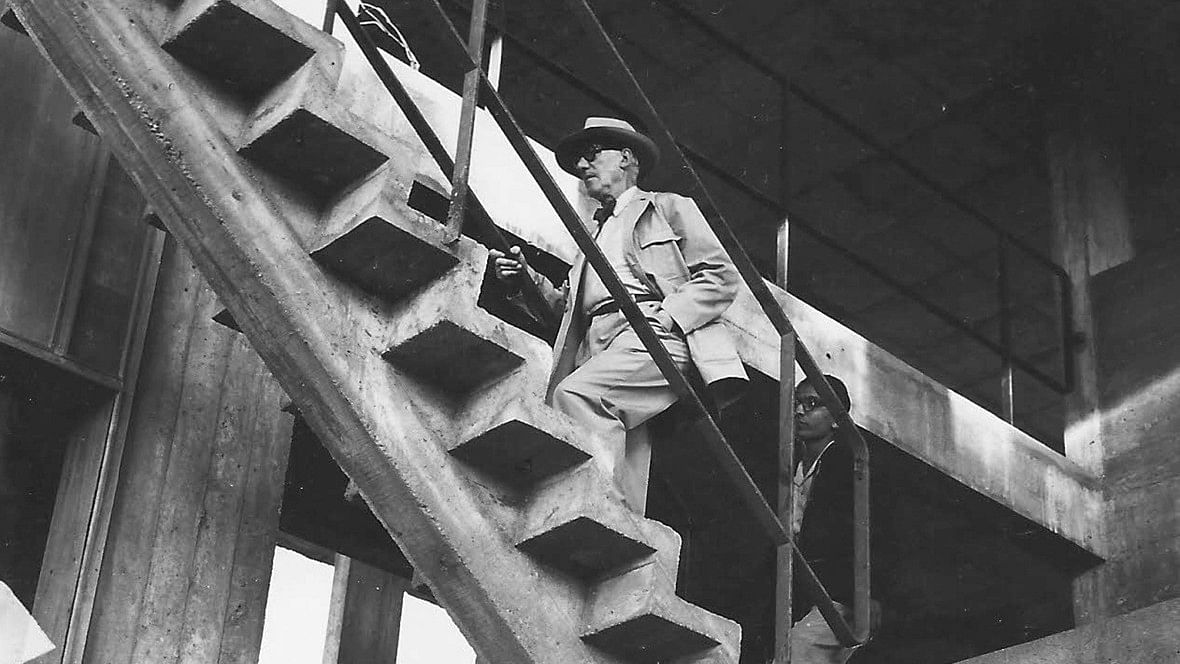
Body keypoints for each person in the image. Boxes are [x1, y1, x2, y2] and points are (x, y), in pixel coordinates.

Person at [490, 117, 747, 511]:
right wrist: (523, 281)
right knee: (624, 463)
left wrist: (669, 316)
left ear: (627, 158)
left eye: (591, 155)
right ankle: (618, 547)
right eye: (579, 159)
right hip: (598, 345)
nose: (581, 166)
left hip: (651, 334)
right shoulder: (593, 237)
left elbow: (721, 275)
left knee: (577, 398)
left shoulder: (666, 208)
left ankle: (594, 514)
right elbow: (566, 311)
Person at [789, 374, 874, 663]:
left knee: (796, 651)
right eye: (797, 403)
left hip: (838, 594)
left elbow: (879, 531)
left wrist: (875, 595)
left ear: (837, 418)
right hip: (799, 592)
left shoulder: (849, 464)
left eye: (812, 404)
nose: (800, 411)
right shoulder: (790, 467)